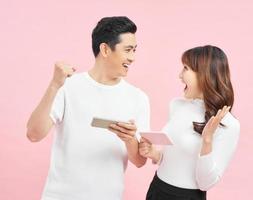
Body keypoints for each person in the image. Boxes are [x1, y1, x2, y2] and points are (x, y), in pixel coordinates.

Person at [26, 16, 150, 200]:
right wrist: (54, 85)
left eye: (134, 50)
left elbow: (140, 161)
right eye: (128, 50)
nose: (132, 58)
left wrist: (129, 139)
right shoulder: (67, 86)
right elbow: (33, 134)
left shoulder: (138, 98)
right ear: (105, 49)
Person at [139, 45, 240, 200]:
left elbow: (205, 184)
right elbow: (177, 157)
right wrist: (154, 154)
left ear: (204, 74)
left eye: (185, 68)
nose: (180, 75)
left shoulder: (229, 125)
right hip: (157, 189)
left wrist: (207, 140)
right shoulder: (177, 105)